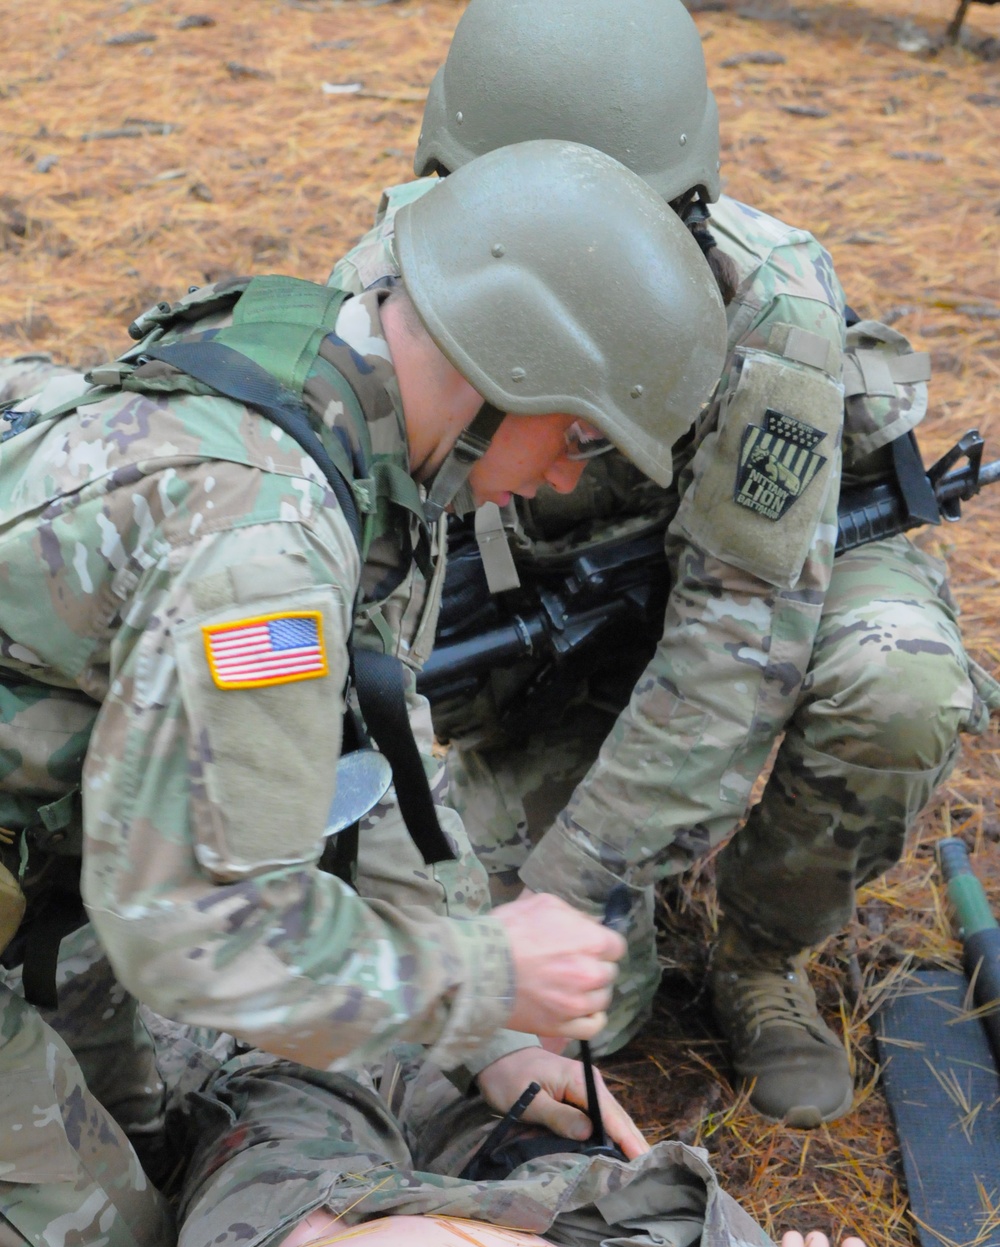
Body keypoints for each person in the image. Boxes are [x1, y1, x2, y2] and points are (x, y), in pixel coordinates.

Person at [0, 138, 729, 1247]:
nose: (559, 480)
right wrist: (482, 976)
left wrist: (483, 1037)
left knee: (168, 1148)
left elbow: (387, 766)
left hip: (55, 861)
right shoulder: (266, 546)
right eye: (580, 437)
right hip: (101, 888)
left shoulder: (359, 428)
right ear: (511, 365)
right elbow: (189, 929)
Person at [330, 0, 1000, 1127]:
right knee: (587, 1012)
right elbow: (368, 638)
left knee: (900, 686)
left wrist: (568, 889)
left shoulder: (769, 308)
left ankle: (759, 951)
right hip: (546, 626)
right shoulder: (397, 294)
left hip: (779, 582)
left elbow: (740, 621)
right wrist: (487, 947)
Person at [141, 1043, 951, 1247]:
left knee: (292, 1079)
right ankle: (449, 1068)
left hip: (296, 1220)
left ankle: (407, 1052)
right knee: (528, 1124)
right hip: (605, 1244)